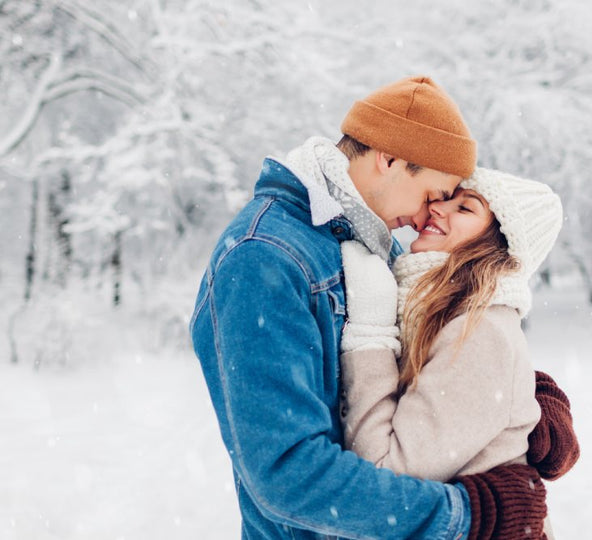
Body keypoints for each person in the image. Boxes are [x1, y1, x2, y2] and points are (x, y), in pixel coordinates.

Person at [189, 76, 553, 539]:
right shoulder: (264, 258)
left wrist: (532, 407)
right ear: (390, 158)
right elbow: (288, 473)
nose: (424, 218)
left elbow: (437, 353)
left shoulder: (370, 242)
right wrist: (470, 515)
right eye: (431, 197)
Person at [338, 168, 579, 539]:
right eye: (447, 198)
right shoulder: (440, 313)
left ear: (497, 247)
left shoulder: (479, 331)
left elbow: (386, 473)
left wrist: (370, 337)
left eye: (465, 208)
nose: (437, 208)